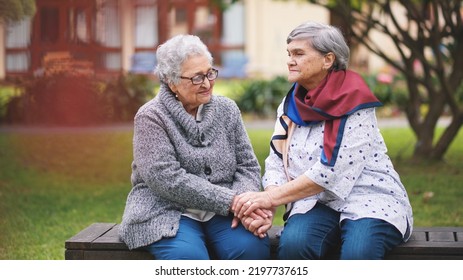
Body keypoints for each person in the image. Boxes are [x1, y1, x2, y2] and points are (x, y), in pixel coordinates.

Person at [232, 21, 413, 260]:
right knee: (295, 245)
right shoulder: (290, 105)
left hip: (369, 197)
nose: (290, 60)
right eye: (289, 54)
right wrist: (268, 205)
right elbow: (277, 161)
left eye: (299, 53)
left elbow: (332, 171)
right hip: (316, 202)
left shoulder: (355, 103)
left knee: (358, 251)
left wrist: (269, 197)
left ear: (327, 60)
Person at [119, 34, 270, 260]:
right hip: (167, 209)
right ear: (172, 82)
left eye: (210, 73)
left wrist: (244, 204)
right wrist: (231, 201)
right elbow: (166, 179)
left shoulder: (227, 110)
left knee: (251, 249)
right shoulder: (151, 116)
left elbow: (247, 166)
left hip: (226, 210)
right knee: (189, 258)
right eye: (197, 78)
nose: (208, 83)